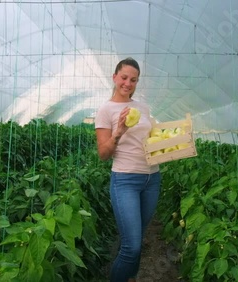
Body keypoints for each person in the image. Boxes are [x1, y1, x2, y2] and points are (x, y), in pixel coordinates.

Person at [94, 57, 161, 282]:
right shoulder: (106, 110)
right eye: (124, 78)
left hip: (152, 179)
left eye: (134, 80)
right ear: (114, 77)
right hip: (125, 180)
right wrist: (119, 131)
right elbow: (103, 154)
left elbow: (151, 138)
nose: (128, 83)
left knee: (136, 239)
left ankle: (129, 277)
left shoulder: (142, 108)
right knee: (131, 247)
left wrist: (167, 144)